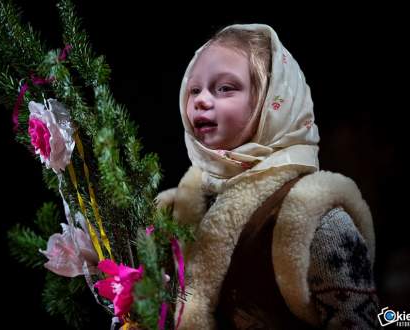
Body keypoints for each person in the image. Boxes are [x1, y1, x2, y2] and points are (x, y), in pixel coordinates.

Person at [156, 24, 380, 329]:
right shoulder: (179, 211)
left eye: (225, 88)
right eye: (194, 89)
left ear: (272, 102)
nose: (201, 100)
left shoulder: (317, 220)